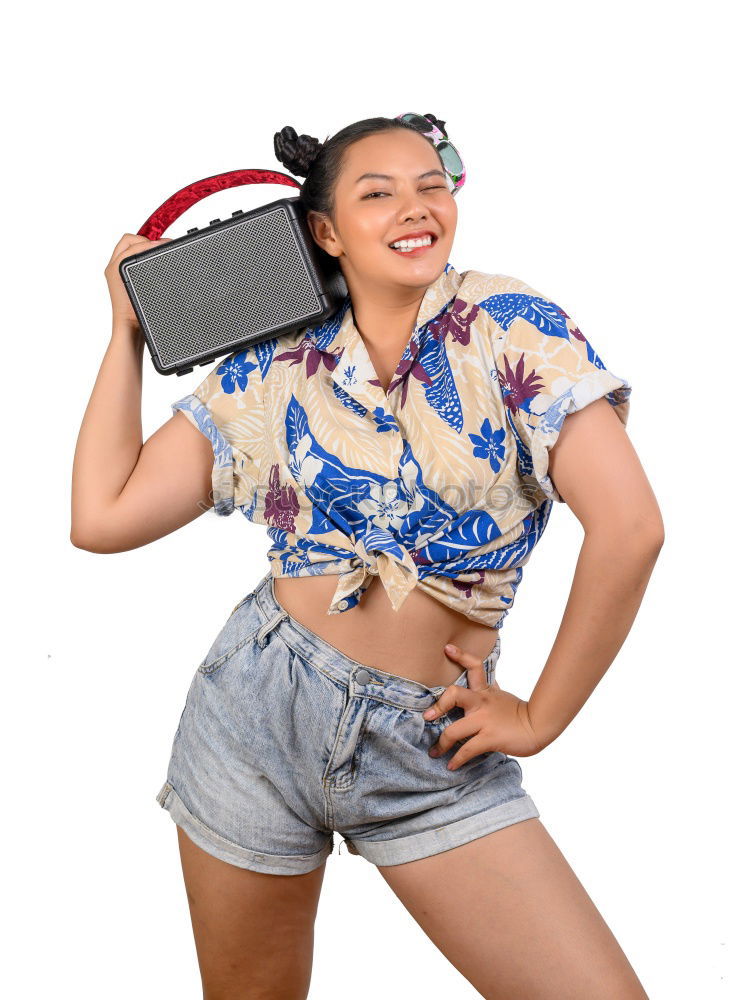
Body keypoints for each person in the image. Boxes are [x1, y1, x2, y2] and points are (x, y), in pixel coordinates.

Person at [71, 114, 662, 999]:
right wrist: (124, 333)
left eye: (431, 184)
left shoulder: (511, 328)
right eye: (376, 192)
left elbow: (632, 528)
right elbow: (102, 515)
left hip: (431, 746)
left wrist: (540, 717)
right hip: (253, 720)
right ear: (325, 230)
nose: (414, 208)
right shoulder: (272, 360)